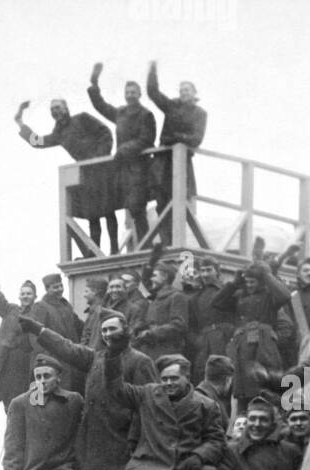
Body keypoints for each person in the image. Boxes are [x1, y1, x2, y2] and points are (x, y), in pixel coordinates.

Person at [22, 309, 158, 470]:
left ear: (126, 330)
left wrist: (136, 442)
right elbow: (67, 348)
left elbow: (149, 406)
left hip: (123, 445)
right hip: (94, 445)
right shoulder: (96, 358)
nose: (108, 334)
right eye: (104, 331)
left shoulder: (140, 361)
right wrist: (39, 330)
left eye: (112, 329)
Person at [15, 97, 118, 253]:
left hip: (102, 168)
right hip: (86, 173)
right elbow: (38, 141)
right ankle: (95, 251)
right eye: (52, 110)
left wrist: (101, 155)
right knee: (92, 214)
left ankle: (114, 248)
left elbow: (105, 132)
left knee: (108, 209)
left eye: (57, 107)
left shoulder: (82, 118)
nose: (55, 111)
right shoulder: (59, 133)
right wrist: (20, 123)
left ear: (66, 108)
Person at [87, 66, 157, 245]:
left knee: (136, 206)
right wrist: (94, 82)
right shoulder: (120, 113)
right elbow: (100, 106)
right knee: (129, 207)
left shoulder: (145, 115)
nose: (130, 95)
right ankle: (136, 244)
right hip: (123, 170)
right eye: (128, 92)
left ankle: (145, 244)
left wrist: (124, 150)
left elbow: (146, 139)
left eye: (134, 92)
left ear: (139, 94)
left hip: (139, 168)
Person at [0, 356, 85, 470]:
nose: (42, 381)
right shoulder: (21, 404)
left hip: (67, 468)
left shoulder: (73, 401)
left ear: (59, 377)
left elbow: (86, 434)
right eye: (38, 377)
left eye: (47, 376)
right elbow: (13, 446)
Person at [214, 261, 292, 410]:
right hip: (242, 348)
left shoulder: (270, 297)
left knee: (265, 384)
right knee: (243, 388)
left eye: (253, 281)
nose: (249, 285)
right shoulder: (239, 296)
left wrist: (267, 275)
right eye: (247, 282)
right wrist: (235, 283)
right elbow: (217, 303)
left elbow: (285, 296)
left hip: (264, 346)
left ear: (261, 282)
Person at [146, 62, 208, 243]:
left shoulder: (200, 113)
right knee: (161, 202)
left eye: (187, 89)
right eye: (181, 89)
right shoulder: (172, 106)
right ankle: (166, 241)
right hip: (164, 160)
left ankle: (178, 241)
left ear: (194, 93)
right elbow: (153, 92)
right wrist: (153, 69)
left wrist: (175, 138)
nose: (183, 92)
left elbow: (196, 139)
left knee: (179, 201)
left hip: (181, 162)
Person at [0, 264, 39, 408]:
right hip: (10, 361)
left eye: (29, 294)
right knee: (11, 399)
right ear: (19, 296)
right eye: (23, 293)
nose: (25, 296)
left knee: (33, 399)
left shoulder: (39, 312)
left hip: (29, 360)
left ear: (35, 296)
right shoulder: (10, 310)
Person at [133, 260, 191, 363]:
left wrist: (152, 333)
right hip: (150, 350)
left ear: (165, 277)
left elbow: (179, 325)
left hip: (167, 351)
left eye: (154, 276)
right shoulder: (155, 300)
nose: (151, 279)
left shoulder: (177, 296)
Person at [189, 260, 236, 378]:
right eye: (202, 270)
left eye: (209, 270)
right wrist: (197, 340)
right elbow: (191, 325)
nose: (205, 274)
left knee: (223, 372)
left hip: (223, 340)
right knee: (201, 374)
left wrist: (229, 333)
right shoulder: (196, 297)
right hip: (204, 342)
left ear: (217, 271)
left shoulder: (227, 290)